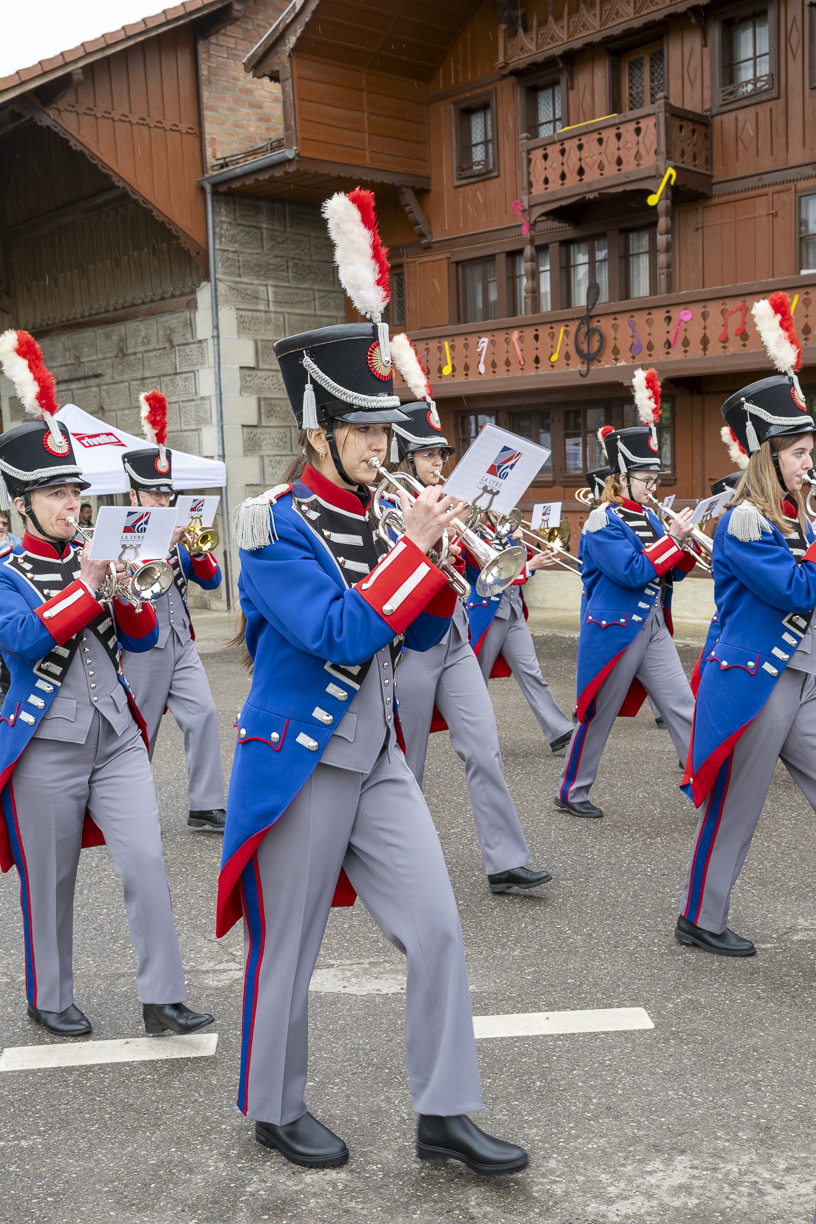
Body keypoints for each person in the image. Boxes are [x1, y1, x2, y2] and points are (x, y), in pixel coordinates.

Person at [218, 189, 528, 1175]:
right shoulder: (271, 526)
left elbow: (420, 631)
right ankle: (275, 1107)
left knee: (437, 928)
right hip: (301, 760)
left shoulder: (388, 517)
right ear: (318, 432)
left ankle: (445, 1114)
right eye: (362, 431)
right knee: (290, 946)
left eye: (385, 432)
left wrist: (454, 563)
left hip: (378, 755)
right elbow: (338, 632)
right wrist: (415, 554)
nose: (381, 448)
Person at [0, 328, 213, 1038]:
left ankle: (163, 996)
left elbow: (143, 639)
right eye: (57, 495)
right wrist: (90, 585)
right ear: (22, 504)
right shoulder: (7, 572)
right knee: (50, 879)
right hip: (46, 744)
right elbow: (23, 640)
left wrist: (126, 587)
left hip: (116, 736)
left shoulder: (95, 553)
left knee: (147, 860)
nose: (72, 506)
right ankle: (49, 994)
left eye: (74, 492)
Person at [677, 293, 816, 957]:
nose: (810, 463)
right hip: (759, 682)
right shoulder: (745, 521)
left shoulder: (796, 518)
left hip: (804, 679)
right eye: (800, 454)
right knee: (735, 807)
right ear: (770, 457)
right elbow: (797, 590)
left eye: (812, 452)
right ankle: (700, 918)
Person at [387, 399, 553, 895]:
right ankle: (399, 864)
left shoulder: (449, 501)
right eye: (428, 455)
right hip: (412, 645)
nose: (439, 463)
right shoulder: (391, 506)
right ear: (405, 458)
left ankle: (505, 860)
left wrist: (475, 533)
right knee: (407, 762)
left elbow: (485, 574)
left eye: (442, 454)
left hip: (455, 637)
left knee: (484, 747)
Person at [556, 370, 698, 818]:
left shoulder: (652, 518)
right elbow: (634, 572)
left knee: (683, 706)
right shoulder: (602, 521)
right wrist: (672, 542)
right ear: (621, 477)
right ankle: (571, 791)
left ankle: (706, 781)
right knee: (598, 714)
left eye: (656, 480)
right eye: (646, 480)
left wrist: (687, 545)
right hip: (615, 628)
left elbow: (672, 572)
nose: (654, 489)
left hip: (652, 624)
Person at [119, 391, 225, 832]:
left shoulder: (176, 529)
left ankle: (206, 804)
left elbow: (212, 581)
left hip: (180, 639)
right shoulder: (120, 535)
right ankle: (126, 809)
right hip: (142, 646)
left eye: (168, 494)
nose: (164, 502)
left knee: (204, 713)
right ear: (133, 494)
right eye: (155, 495)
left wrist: (195, 548)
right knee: (139, 730)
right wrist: (161, 545)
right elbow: (127, 585)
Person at [466, 516, 573, 756]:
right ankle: (474, 739)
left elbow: (524, 570)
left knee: (531, 672)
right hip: (488, 616)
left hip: (513, 612)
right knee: (476, 680)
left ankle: (559, 729)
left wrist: (522, 546)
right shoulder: (477, 533)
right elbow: (487, 575)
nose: (502, 512)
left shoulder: (510, 531)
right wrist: (529, 565)